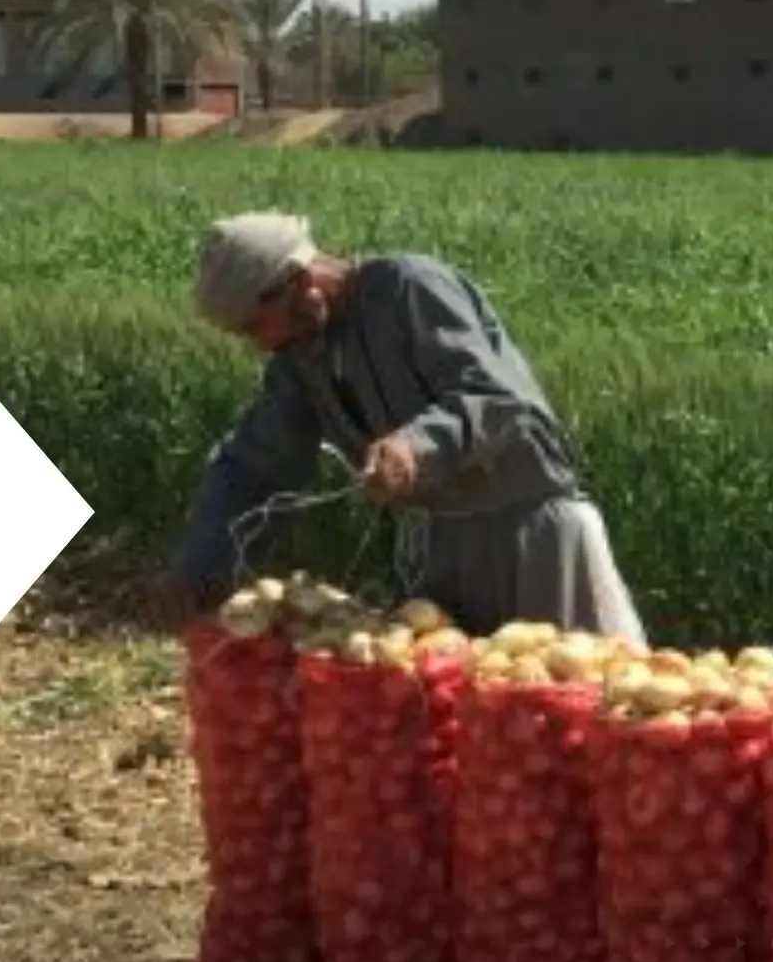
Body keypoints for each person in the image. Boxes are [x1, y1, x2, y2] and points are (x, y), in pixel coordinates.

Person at [143, 212, 647, 645]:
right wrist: (198, 567)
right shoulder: (300, 357)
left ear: (299, 282)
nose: (257, 343)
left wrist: (418, 446)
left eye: (256, 325)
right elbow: (255, 467)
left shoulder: (410, 289)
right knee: (467, 731)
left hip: (532, 534)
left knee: (583, 711)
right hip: (438, 546)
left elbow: (499, 400)